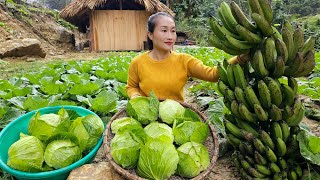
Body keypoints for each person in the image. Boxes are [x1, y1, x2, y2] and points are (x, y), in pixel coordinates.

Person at [126, 12, 248, 102]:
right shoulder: (138, 62)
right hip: (147, 118)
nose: (170, 36)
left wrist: (240, 59)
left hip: (175, 118)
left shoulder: (184, 61)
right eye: (164, 31)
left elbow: (212, 74)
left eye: (173, 31)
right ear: (150, 35)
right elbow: (131, 87)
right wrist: (135, 96)